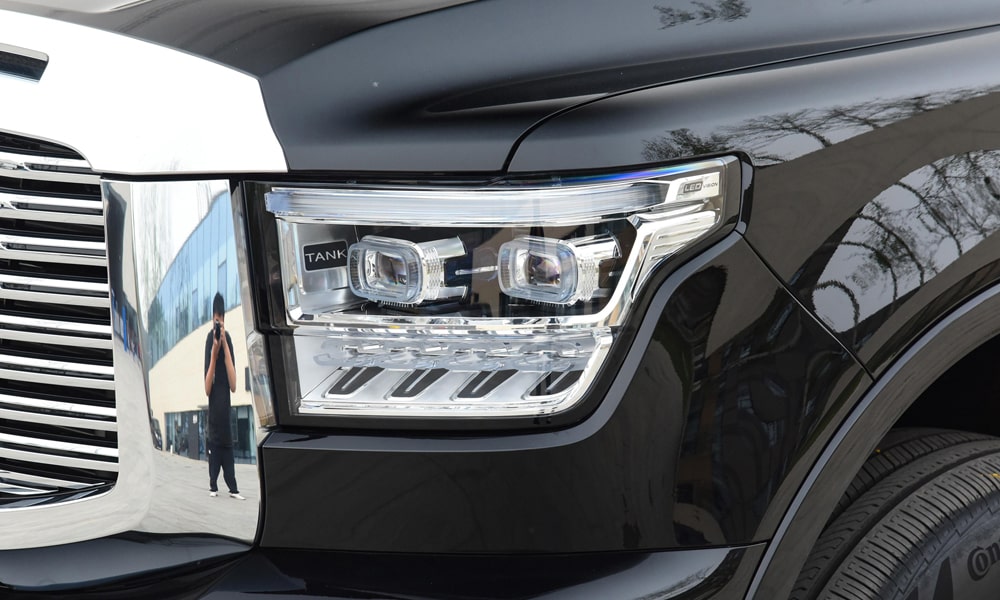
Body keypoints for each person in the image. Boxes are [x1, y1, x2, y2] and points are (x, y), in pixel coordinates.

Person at [204, 292, 245, 500]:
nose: (218, 324)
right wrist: (213, 354)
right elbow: (207, 389)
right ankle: (213, 485)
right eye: (216, 320)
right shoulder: (208, 340)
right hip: (213, 427)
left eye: (221, 320)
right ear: (212, 319)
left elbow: (234, 385)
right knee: (213, 483)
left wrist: (225, 347)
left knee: (232, 480)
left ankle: (232, 489)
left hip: (226, 427)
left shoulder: (227, 339)